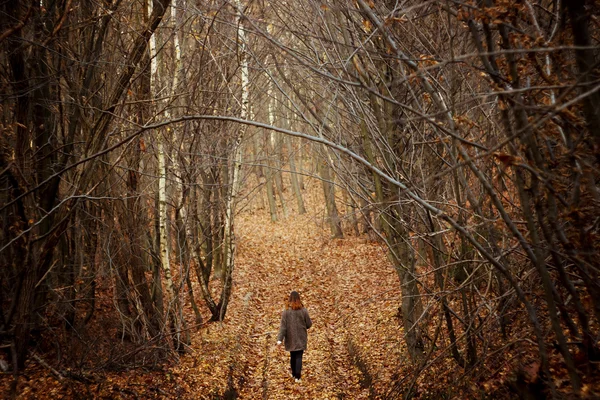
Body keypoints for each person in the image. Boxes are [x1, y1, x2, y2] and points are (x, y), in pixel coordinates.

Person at [277, 291, 312, 382]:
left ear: (290, 299)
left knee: (293, 355)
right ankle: (298, 376)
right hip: (301, 337)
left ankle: (293, 374)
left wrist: (279, 340)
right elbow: (309, 324)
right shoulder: (303, 310)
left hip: (290, 337)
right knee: (299, 356)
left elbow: (283, 327)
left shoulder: (286, 312)